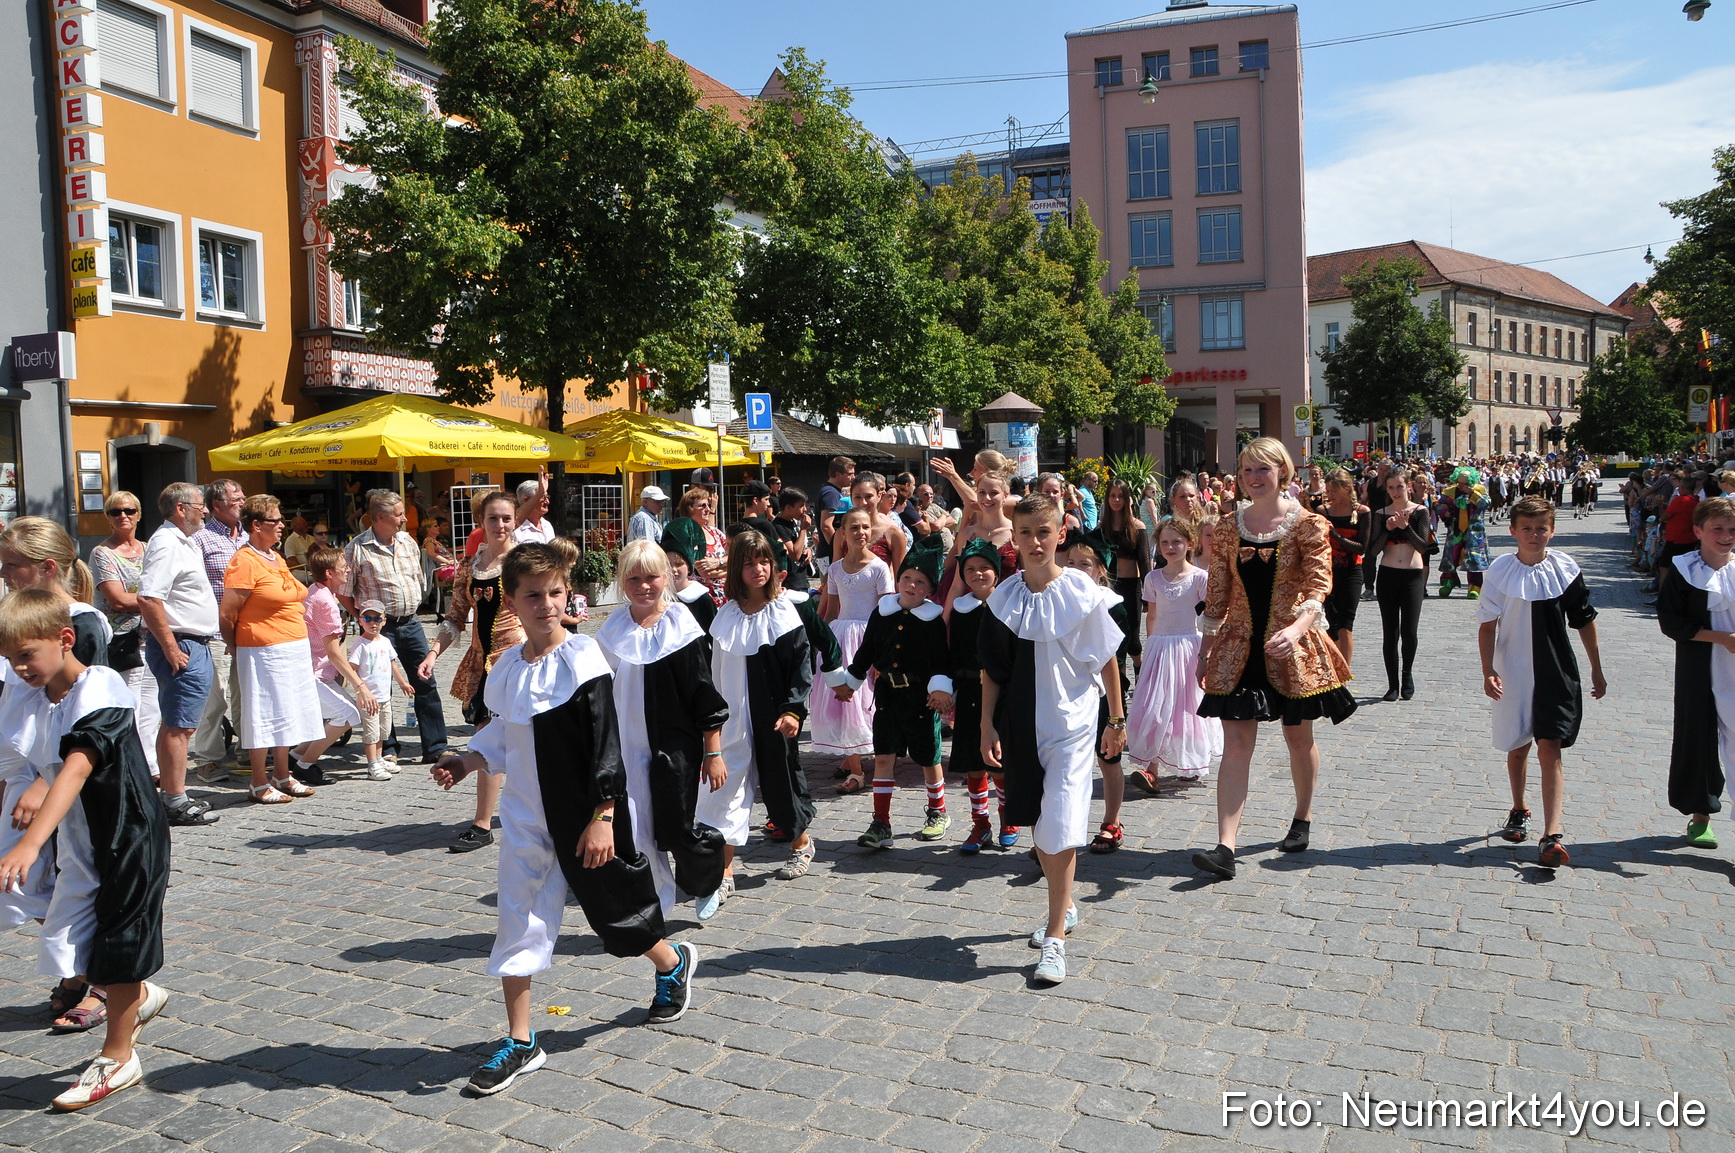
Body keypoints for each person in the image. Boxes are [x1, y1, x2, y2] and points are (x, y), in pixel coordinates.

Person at [431, 544, 700, 1097]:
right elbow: (506, 734)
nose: (547, 605)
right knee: (517, 922)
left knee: (616, 914)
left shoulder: (583, 659)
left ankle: (671, 961)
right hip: (528, 817)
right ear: (511, 601)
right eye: (533, 595)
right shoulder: (506, 668)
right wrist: (468, 759)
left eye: (555, 593)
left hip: (585, 816)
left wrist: (603, 816)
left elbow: (607, 746)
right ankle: (522, 1040)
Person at [0, 590, 171, 1110]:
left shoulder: (102, 686)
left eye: (26, 654)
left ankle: (118, 1058)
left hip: (128, 834)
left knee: (120, 939)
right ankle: (137, 999)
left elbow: (76, 765)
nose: (19, 668)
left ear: (64, 639)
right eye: (10, 660)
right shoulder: (39, 699)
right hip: (82, 839)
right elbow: (24, 762)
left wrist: (30, 843)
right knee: (79, 935)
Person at [1193, 438, 1357, 881]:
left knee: (1297, 738)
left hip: (1292, 646)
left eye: (1262, 470)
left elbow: (1318, 587)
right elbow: (1218, 591)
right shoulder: (1228, 527)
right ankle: (1225, 847)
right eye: (1246, 471)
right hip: (1241, 644)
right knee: (1237, 744)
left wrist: (1297, 629)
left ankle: (1302, 816)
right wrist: (1205, 650)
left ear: (1282, 471)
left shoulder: (1309, 526)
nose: (1253, 478)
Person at [979, 494, 1124, 985]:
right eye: (1026, 533)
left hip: (1074, 727)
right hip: (1021, 726)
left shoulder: (1081, 590)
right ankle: (1065, 902)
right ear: (1013, 538)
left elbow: (1107, 658)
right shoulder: (1004, 597)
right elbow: (992, 672)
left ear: (1060, 533)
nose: (1035, 542)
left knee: (1060, 823)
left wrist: (1116, 720)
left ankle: (1055, 938)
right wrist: (985, 725)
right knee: (1040, 825)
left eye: (1044, 532)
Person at [598, 540, 731, 918]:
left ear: (667, 577)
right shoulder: (613, 626)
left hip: (675, 745)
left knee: (676, 826)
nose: (643, 586)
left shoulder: (680, 625)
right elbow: (599, 687)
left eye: (651, 577)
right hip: (626, 744)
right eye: (633, 578)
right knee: (638, 827)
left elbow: (702, 691)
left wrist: (713, 749)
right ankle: (656, 900)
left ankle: (707, 877)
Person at [1478, 495, 1607, 868]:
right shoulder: (1501, 571)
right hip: (1512, 669)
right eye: (1527, 529)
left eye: (1541, 529)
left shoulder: (1565, 569)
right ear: (1514, 531)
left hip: (1555, 669)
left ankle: (1552, 835)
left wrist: (1596, 667)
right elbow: (1487, 627)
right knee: (1518, 746)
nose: (1534, 535)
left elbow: (1583, 619)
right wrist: (1488, 669)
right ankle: (1519, 807)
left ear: (1552, 531)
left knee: (1551, 747)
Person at [696, 530, 818, 899]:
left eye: (764, 561)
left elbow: (801, 665)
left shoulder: (783, 613)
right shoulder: (725, 616)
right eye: (748, 563)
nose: (758, 569)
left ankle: (801, 843)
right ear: (736, 570)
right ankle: (725, 868)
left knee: (779, 782)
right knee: (725, 788)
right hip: (730, 715)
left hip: (773, 714)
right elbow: (711, 669)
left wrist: (793, 710)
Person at [422, 491, 522, 852]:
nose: (500, 525)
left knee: (532, 738)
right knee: (487, 737)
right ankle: (482, 823)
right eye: (493, 518)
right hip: (483, 665)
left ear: (515, 521)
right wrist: (434, 652)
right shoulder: (469, 566)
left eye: (506, 518)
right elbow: (455, 618)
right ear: (481, 521)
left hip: (519, 661)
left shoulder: (524, 562)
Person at [838, 538, 953, 849]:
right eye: (906, 578)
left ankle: (937, 811)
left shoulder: (932, 621)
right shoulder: (883, 612)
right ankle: (881, 822)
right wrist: (852, 681)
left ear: (929, 590)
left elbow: (942, 660)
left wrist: (941, 688)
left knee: (928, 757)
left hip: (920, 698)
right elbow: (867, 650)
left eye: (920, 582)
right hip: (888, 695)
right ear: (898, 580)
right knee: (884, 756)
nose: (911, 585)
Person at [220, 494, 327, 805]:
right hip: (262, 649)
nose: (282, 525)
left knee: (287, 711)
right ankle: (257, 780)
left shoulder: (274, 557)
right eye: (275, 521)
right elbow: (228, 613)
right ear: (256, 525)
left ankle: (282, 774)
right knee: (263, 712)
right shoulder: (244, 561)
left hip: (291, 646)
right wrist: (235, 646)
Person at [339, 490, 448, 764]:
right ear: (380, 517)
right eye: (398, 514)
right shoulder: (357, 548)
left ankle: (435, 747)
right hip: (379, 628)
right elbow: (343, 591)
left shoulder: (407, 541)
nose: (403, 519)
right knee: (379, 688)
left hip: (410, 623)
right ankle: (386, 748)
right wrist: (367, 621)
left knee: (425, 681)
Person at [134, 482, 220, 827]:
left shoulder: (182, 541)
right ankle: (174, 800)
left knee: (177, 723)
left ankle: (173, 794)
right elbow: (148, 597)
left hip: (191, 642)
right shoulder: (167, 543)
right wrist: (170, 646)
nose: (206, 511)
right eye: (200, 506)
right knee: (179, 726)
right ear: (181, 508)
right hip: (182, 644)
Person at [1657, 497, 1735, 848]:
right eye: (1717, 528)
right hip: (1700, 667)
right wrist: (1721, 638)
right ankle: (1700, 817)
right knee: (1698, 740)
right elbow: (1671, 621)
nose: (1725, 536)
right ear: (1698, 531)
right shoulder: (1684, 570)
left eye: (1732, 529)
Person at [1126, 517, 1220, 790]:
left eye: (1176, 541)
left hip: (1189, 647)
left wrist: (1208, 652)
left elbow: (1210, 618)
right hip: (1161, 647)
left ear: (1189, 544)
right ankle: (1151, 767)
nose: (1170, 547)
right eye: (1165, 542)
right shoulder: (1153, 577)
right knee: (1155, 705)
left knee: (1186, 706)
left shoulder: (1199, 578)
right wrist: (1151, 645)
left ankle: (1188, 761)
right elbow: (1152, 615)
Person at [1059, 528, 1133, 853]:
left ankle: (1112, 821)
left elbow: (1114, 659)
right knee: (1067, 764)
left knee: (1107, 761)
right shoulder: (1059, 602)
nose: (1076, 569)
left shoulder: (1112, 605)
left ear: (1100, 569)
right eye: (1070, 562)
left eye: (1084, 564)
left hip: (1103, 695)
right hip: (1067, 694)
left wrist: (1116, 717)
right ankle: (1061, 829)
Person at [812, 507, 893, 792]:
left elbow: (886, 612)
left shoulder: (879, 568)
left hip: (869, 638)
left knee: (870, 702)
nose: (860, 533)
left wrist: (882, 653)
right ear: (843, 533)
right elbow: (832, 611)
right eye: (854, 528)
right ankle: (856, 769)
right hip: (842, 638)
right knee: (845, 704)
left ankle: (883, 761)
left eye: (865, 527)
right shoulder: (835, 569)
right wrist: (822, 643)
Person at [90, 492, 163, 781]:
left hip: (152, 636)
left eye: (129, 510)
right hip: (123, 639)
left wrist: (156, 599)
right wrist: (158, 599)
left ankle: (151, 766)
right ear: (107, 516)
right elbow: (117, 599)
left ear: (139, 514)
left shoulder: (148, 548)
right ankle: (129, 766)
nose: (123, 515)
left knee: (152, 706)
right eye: (115, 511)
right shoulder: (102, 553)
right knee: (130, 703)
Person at [946, 538, 1009, 853]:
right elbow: (955, 654)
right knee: (973, 763)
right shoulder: (960, 609)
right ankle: (980, 823)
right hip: (970, 693)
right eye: (970, 569)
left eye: (985, 567)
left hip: (1002, 694)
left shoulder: (1008, 606)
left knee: (1000, 762)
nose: (978, 573)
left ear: (996, 571)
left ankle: (1007, 814)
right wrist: (948, 689)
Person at [291, 544, 369, 781]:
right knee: (348, 715)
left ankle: (295, 756)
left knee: (347, 714)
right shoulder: (326, 602)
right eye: (343, 567)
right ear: (329, 573)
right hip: (312, 674)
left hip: (313, 671)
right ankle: (305, 764)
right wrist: (360, 686)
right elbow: (334, 653)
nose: (348, 570)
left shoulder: (316, 592)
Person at [186, 480, 246, 782]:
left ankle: (248, 750)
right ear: (217, 504)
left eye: (242, 497)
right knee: (215, 699)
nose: (241, 502)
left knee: (246, 694)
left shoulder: (248, 537)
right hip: (215, 633)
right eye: (235, 498)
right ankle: (207, 758)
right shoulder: (201, 539)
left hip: (248, 633)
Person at [1368, 469, 1432, 702]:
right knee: (1390, 631)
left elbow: (1422, 547)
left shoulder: (1420, 511)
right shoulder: (1380, 514)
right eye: (1392, 487)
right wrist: (1389, 528)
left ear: (1409, 487)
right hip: (1387, 575)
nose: (1396, 491)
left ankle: (1407, 677)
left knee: (1409, 631)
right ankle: (1392, 684)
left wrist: (1405, 526)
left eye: (1400, 487)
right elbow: (1373, 551)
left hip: (1413, 576)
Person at [350, 601, 416, 781]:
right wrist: (359, 693)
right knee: (371, 733)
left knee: (382, 731)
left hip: (384, 697)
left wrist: (402, 682)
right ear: (360, 621)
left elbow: (392, 663)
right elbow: (352, 669)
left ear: (384, 621)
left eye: (377, 619)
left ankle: (379, 759)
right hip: (368, 698)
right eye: (368, 618)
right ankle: (372, 765)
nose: (373, 623)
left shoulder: (385, 642)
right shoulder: (360, 645)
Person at [1316, 470, 1369, 669]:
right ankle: (1333, 669)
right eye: (1327, 490)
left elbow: (1362, 547)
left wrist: (1336, 536)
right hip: (1328, 572)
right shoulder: (1322, 511)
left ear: (1347, 489)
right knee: (1331, 624)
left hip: (1352, 571)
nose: (1329, 495)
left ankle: (1345, 672)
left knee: (1346, 624)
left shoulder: (1362, 512)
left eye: (1333, 490)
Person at [1099, 479, 1150, 683]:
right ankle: (1120, 684)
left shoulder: (1137, 526)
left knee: (1134, 638)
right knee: (1115, 637)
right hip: (1111, 587)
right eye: (1112, 495)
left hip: (1131, 586)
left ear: (1127, 498)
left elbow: (1145, 562)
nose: (1116, 500)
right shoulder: (1103, 527)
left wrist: (1149, 594)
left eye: (1120, 496)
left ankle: (1138, 667)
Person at [662, 487, 728, 606]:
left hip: (726, 598)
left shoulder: (715, 532)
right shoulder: (687, 536)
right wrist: (730, 567)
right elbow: (704, 572)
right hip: (703, 600)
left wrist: (718, 562)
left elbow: (738, 556)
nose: (708, 509)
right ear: (690, 508)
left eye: (708, 505)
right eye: (703, 506)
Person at [1437, 466, 1492, 599]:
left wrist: (1472, 493)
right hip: (1455, 531)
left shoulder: (1480, 490)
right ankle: (1449, 582)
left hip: (1474, 533)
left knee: (1473, 560)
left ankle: (1474, 587)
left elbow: (1485, 504)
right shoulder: (1450, 492)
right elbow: (1439, 505)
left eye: (1466, 484)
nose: (1462, 486)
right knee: (1451, 557)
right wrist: (1445, 511)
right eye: (1461, 483)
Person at [850, 472, 908, 570]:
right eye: (857, 497)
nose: (863, 502)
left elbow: (900, 578)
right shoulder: (843, 534)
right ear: (851, 498)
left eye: (868, 496)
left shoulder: (894, 534)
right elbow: (834, 576)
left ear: (879, 496)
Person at [815, 455, 856, 577]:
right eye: (849, 474)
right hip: (829, 555)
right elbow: (826, 526)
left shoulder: (832, 491)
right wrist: (839, 548)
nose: (853, 477)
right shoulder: (831, 493)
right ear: (838, 474)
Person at [771, 487, 813, 594]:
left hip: (802, 581)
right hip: (790, 586)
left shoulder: (794, 522)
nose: (805, 509)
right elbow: (794, 555)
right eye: (801, 506)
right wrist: (803, 529)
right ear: (788, 507)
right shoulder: (778, 526)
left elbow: (799, 545)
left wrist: (808, 550)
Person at [511, 468, 556, 545]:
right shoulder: (516, 528)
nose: (547, 502)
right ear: (527, 500)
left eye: (547, 497)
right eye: (543, 497)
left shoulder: (547, 525)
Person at [282, 515, 315, 580]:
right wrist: (305, 569)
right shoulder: (291, 540)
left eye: (305, 523)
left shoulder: (312, 538)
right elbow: (292, 561)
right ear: (295, 527)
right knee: (315, 577)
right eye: (303, 524)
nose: (306, 525)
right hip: (300, 570)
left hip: (315, 568)